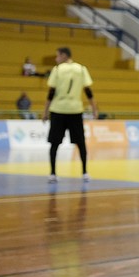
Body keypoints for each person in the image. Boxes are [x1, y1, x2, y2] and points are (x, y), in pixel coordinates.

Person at [43, 47, 98, 183]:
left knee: (54, 143)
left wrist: (45, 111)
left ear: (64, 55)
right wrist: (94, 108)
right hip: (75, 110)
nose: (56, 59)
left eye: (57, 56)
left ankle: (52, 173)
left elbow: (51, 92)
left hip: (58, 110)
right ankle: (85, 172)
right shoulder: (81, 69)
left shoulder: (57, 70)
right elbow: (88, 91)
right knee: (81, 143)